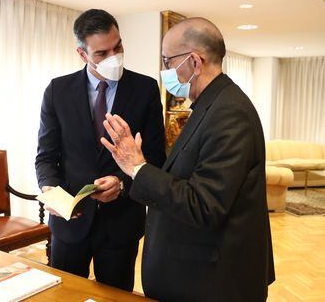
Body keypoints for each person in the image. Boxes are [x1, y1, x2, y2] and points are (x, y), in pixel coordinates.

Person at [101, 17, 275, 301]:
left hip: (214, 281)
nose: (165, 71)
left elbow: (204, 205)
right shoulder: (212, 105)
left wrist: (137, 167)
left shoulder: (229, 113)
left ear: (194, 62)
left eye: (168, 61)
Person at [35, 9, 166, 291]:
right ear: (82, 54)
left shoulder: (146, 90)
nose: (113, 57)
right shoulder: (57, 91)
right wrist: (50, 192)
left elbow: (156, 158)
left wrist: (122, 181)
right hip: (71, 222)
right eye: (101, 53)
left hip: (121, 223)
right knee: (65, 296)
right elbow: (46, 156)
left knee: (117, 296)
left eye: (117, 46)